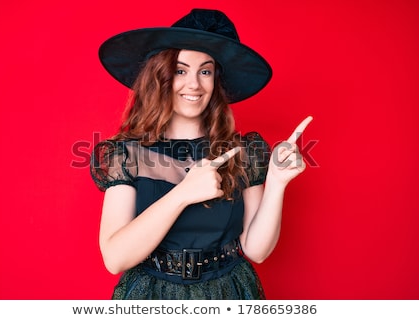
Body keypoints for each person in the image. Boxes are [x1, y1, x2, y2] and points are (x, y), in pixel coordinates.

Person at [90, 8, 312, 299]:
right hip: (154, 295)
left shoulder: (244, 152)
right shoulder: (127, 154)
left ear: (216, 83)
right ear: (162, 77)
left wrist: (277, 183)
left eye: (205, 71)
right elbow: (115, 259)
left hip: (227, 291)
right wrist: (184, 193)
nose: (194, 84)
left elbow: (257, 251)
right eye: (181, 70)